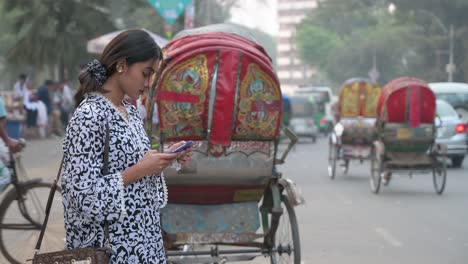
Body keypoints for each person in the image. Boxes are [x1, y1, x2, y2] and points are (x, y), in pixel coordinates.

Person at [61, 29, 192, 263]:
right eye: (146, 73)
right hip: (114, 251)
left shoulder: (129, 112)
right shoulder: (89, 116)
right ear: (122, 65)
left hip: (143, 244)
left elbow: (133, 167)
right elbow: (82, 195)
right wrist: (141, 169)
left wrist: (165, 158)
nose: (149, 83)